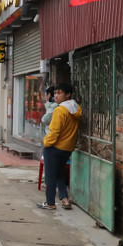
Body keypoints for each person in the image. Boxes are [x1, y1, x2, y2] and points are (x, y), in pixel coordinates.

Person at [40, 83, 82, 211]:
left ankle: (50, 203)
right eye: (55, 93)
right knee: (60, 173)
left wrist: (46, 142)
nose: (56, 96)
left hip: (54, 147)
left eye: (59, 93)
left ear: (68, 94)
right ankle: (65, 199)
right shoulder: (76, 108)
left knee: (50, 176)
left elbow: (54, 131)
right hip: (67, 147)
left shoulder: (60, 110)